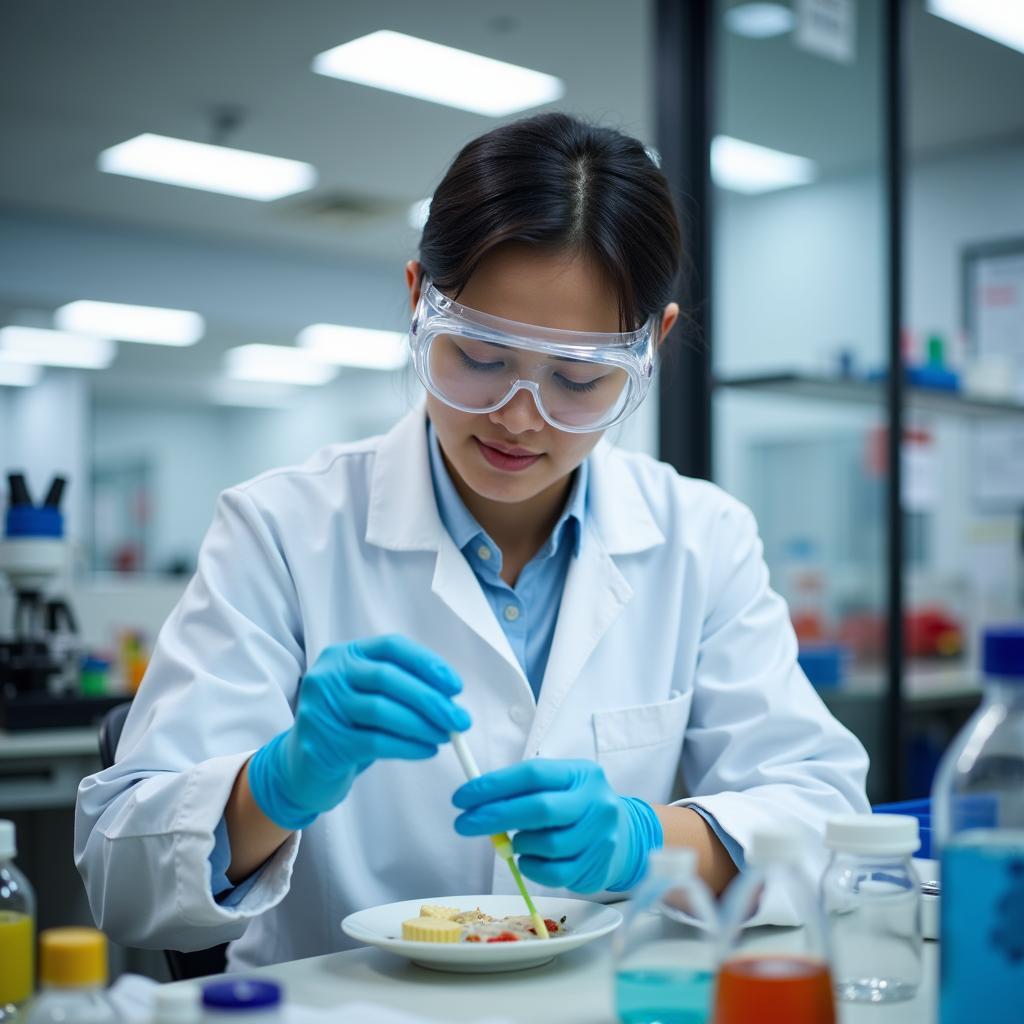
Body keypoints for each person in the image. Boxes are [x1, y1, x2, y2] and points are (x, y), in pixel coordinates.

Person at [75, 113, 869, 970]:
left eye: (577, 378)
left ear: (654, 346)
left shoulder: (701, 539)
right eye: (481, 359)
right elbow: (123, 880)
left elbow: (825, 816)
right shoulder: (281, 530)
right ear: (419, 300)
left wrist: (648, 841)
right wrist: (276, 781)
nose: (520, 419)